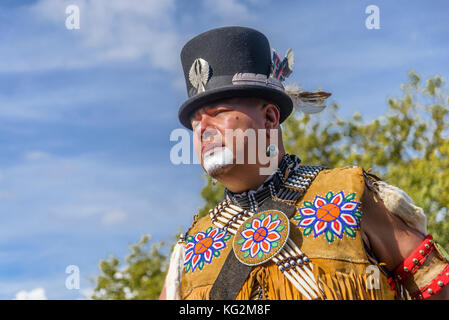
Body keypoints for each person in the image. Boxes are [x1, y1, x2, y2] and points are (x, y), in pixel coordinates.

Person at [160, 26, 449, 300]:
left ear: (270, 118)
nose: (202, 129)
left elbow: (438, 285)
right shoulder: (192, 245)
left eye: (219, 112)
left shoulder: (349, 194)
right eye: (195, 123)